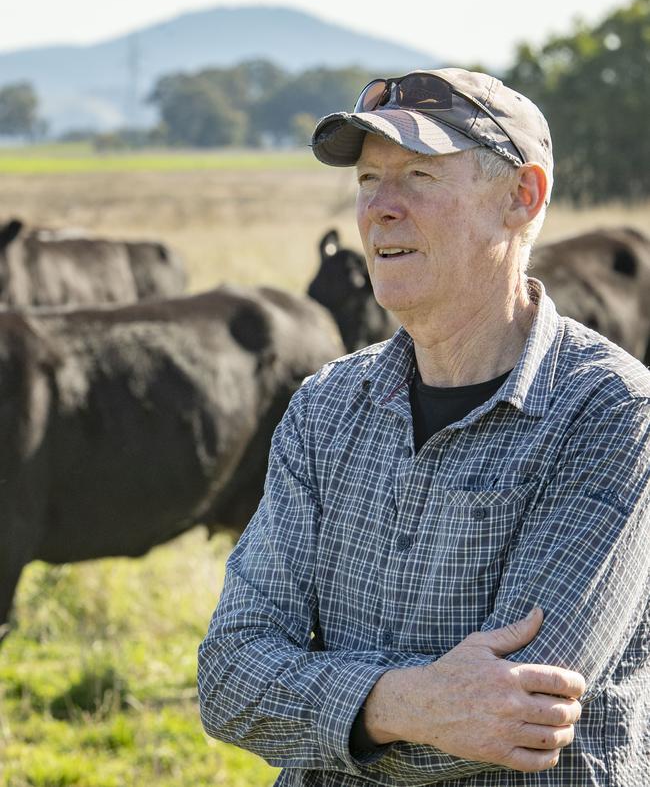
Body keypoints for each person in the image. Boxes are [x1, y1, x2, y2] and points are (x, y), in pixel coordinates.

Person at [198, 68, 650, 786]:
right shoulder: (325, 406)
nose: (379, 207)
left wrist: (324, 703)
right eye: (368, 179)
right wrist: (404, 704)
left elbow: (517, 716)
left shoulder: (611, 412)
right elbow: (227, 680)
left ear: (520, 198)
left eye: (417, 174)